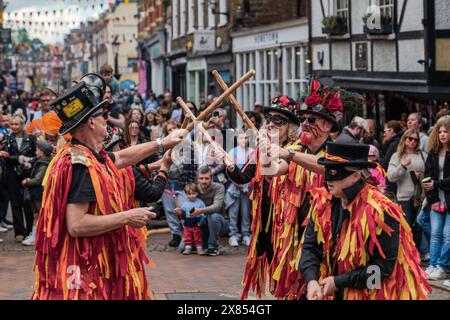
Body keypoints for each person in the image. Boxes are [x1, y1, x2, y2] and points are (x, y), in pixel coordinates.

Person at [32, 74, 185, 300]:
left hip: (92, 264)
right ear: (91, 122)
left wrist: (163, 143)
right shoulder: (79, 165)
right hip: (84, 270)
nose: (108, 119)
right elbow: (76, 225)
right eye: (103, 115)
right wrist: (127, 216)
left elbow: (121, 158)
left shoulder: (89, 154)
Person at [300, 142, 430, 300]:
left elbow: (382, 270)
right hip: (334, 290)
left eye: (335, 172)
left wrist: (339, 282)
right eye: (327, 171)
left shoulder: (380, 210)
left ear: (356, 176)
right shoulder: (322, 202)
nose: (328, 179)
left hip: (373, 293)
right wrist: (311, 280)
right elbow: (310, 246)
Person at [224, 95, 301, 299]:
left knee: (290, 270)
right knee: (274, 271)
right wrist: (230, 166)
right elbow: (243, 176)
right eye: (270, 118)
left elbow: (272, 170)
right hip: (266, 218)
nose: (272, 123)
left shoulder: (296, 150)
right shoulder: (261, 149)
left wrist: (266, 149)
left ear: (291, 125)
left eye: (279, 120)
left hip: (288, 223)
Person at [387, 129, 426, 249]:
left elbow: (430, 172)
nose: (413, 142)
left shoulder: (423, 155)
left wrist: (422, 176)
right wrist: (403, 166)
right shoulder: (397, 156)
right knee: (406, 228)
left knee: (419, 228)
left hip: (421, 198)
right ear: (404, 139)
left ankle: (417, 255)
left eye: (416, 139)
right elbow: (391, 176)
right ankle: (406, 256)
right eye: (410, 138)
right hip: (404, 198)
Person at [423, 116, 450, 281]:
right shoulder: (433, 153)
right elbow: (427, 178)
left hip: (448, 199)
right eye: (439, 131)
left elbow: (436, 181)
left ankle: (441, 266)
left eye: (446, 131)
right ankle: (432, 266)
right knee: (435, 234)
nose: (442, 134)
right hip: (436, 200)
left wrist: (437, 183)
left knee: (448, 235)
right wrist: (433, 199)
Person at [1, 115, 36, 242]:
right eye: (12, 124)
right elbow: (5, 156)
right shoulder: (7, 139)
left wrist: (30, 162)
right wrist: (19, 159)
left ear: (22, 125)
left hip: (27, 173)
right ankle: (19, 232)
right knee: (15, 203)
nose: (14, 127)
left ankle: (29, 231)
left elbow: (35, 155)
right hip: (12, 173)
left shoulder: (31, 138)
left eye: (17, 124)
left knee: (27, 202)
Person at [20, 140, 53, 246]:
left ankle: (39, 236)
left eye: (38, 150)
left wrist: (28, 181)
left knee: (40, 215)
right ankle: (35, 235)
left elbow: (38, 180)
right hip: (36, 193)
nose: (36, 151)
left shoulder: (43, 164)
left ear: (43, 152)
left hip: (39, 193)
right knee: (36, 215)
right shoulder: (40, 161)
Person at [225, 129, 253, 247]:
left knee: (246, 212)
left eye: (246, 138)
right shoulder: (232, 152)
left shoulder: (252, 152)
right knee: (233, 212)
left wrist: (246, 184)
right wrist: (237, 183)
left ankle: (246, 234)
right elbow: (229, 169)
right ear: (237, 139)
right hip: (235, 186)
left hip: (247, 187)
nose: (244, 140)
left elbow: (253, 171)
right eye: (241, 138)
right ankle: (233, 235)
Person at [196, 166, 228, 256]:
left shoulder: (219, 187)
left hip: (220, 222)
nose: (204, 181)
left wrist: (199, 211)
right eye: (201, 178)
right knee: (183, 247)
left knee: (213, 216)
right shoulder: (195, 189)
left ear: (212, 179)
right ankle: (202, 243)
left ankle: (213, 247)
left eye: (206, 178)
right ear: (197, 179)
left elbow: (217, 207)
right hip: (202, 222)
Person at [174, 183, 207, 255]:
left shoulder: (200, 203)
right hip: (187, 224)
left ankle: (199, 248)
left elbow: (204, 215)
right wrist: (179, 212)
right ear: (186, 194)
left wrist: (200, 223)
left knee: (197, 237)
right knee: (187, 237)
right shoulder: (185, 204)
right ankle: (188, 248)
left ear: (197, 193)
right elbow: (183, 215)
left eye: (193, 193)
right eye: (189, 194)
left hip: (196, 224)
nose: (191, 196)